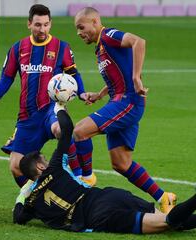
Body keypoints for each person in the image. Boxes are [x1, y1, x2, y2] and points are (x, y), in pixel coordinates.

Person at [13, 103, 196, 234]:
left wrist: (24, 193)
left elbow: (18, 217)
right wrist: (59, 106)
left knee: (167, 222)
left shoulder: (32, 203)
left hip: (99, 216)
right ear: (40, 166)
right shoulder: (54, 168)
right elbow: (67, 130)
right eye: (43, 159)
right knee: (170, 222)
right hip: (107, 195)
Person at [72, 7, 174, 213]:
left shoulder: (109, 35)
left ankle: (85, 180)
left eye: (81, 27)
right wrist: (100, 95)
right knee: (121, 163)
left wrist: (137, 77)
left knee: (79, 131)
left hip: (128, 102)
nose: (79, 33)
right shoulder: (100, 47)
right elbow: (119, 73)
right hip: (120, 101)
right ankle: (164, 197)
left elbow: (139, 42)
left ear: (94, 21)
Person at [0, 4, 95, 188]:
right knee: (16, 166)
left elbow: (73, 73)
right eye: (38, 25)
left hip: (51, 109)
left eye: (46, 25)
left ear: (51, 24)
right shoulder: (18, 48)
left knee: (61, 129)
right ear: (29, 24)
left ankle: (80, 179)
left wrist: (81, 93)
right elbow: (7, 78)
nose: (42, 29)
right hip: (27, 116)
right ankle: (37, 197)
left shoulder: (61, 47)